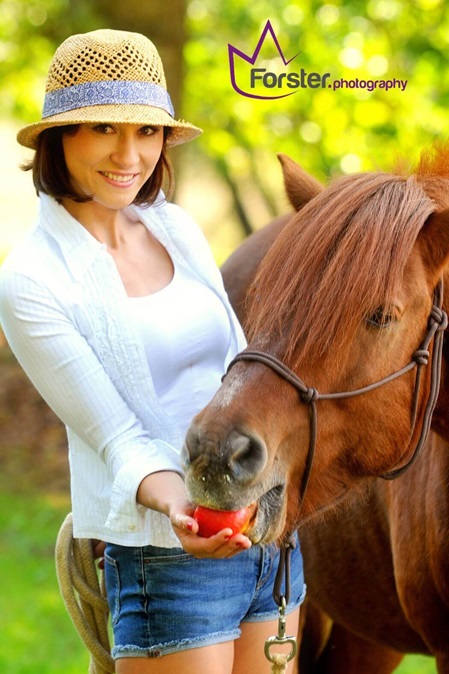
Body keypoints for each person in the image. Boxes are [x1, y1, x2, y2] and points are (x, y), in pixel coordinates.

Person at [0, 29, 305, 674]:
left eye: (146, 132)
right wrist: (182, 506)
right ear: (60, 138)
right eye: (103, 128)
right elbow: (117, 437)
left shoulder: (173, 225)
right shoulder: (33, 279)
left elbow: (239, 369)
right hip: (168, 552)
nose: (128, 154)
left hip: (264, 535)